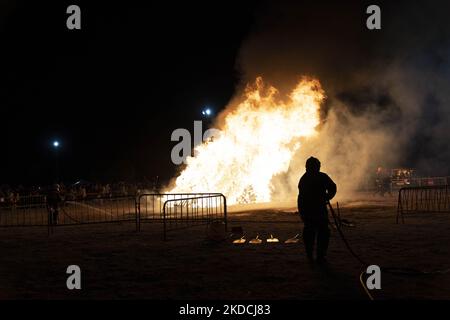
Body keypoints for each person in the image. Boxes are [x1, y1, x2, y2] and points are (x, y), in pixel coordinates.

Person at [297, 157, 337, 264]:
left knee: (322, 233)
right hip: (312, 212)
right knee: (313, 233)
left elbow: (332, 187)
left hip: (317, 212)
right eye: (316, 166)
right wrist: (327, 196)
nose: (318, 168)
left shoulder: (316, 177)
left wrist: (328, 196)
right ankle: (313, 255)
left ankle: (319, 255)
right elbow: (301, 198)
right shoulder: (306, 179)